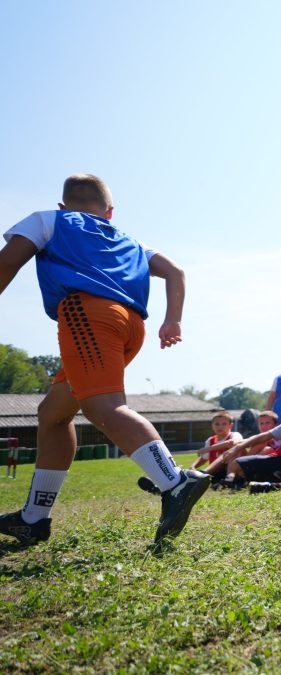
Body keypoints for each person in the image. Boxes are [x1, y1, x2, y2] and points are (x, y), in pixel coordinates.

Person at [0, 174, 209, 545]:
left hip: (85, 317)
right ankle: (33, 518)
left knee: (104, 407)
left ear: (64, 205)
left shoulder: (49, 220)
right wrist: (173, 318)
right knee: (53, 413)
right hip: (130, 326)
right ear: (109, 212)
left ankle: (174, 482)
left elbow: (7, 262)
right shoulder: (129, 241)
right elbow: (175, 271)